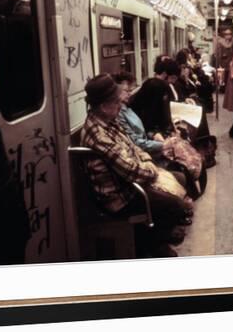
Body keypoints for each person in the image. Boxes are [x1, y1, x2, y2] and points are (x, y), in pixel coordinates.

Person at [81, 74, 192, 257]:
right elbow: (131, 171)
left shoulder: (109, 120)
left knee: (180, 177)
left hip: (131, 181)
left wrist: (148, 163)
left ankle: (157, 232)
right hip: (121, 196)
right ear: (103, 106)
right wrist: (152, 170)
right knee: (175, 205)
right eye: (117, 102)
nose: (121, 105)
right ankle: (153, 245)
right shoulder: (97, 134)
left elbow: (134, 147)